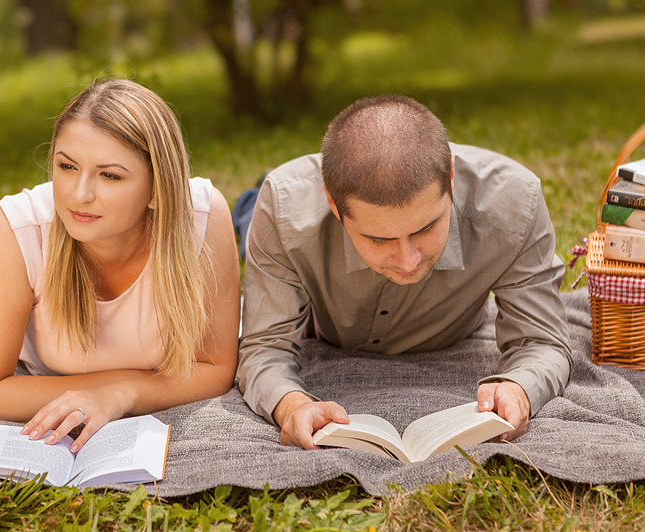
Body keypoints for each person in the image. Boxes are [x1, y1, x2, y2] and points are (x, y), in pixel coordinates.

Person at [238, 94, 572, 449]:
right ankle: (246, 203)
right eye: (379, 239)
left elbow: (543, 341)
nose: (408, 259)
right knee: (246, 220)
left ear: (452, 180)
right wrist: (292, 406)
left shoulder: (516, 204)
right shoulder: (284, 210)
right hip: (289, 241)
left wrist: (520, 389)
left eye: (425, 229)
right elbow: (264, 348)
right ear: (333, 205)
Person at [0, 78, 240, 451]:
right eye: (67, 166)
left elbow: (216, 370)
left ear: (157, 189)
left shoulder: (200, 216)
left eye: (109, 175)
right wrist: (129, 387)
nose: (79, 194)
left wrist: (119, 396)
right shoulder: (20, 227)